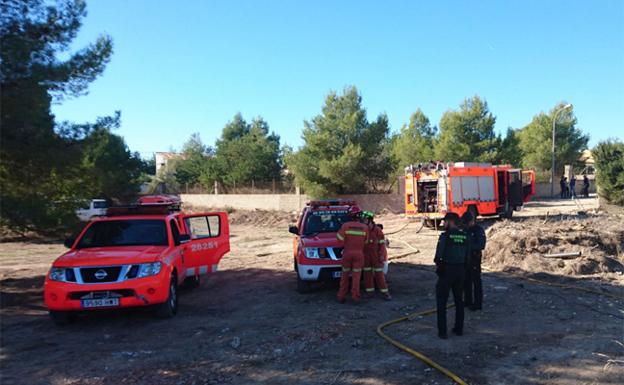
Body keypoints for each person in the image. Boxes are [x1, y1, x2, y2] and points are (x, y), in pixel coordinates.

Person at [434, 212, 470, 339]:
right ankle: (459, 328)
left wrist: (439, 268)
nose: (444, 224)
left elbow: (439, 256)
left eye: (445, 222)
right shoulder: (465, 236)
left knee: (441, 302)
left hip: (447, 271)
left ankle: (442, 332)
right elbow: (468, 255)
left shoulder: (445, 236)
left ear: (451, 221)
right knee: (459, 301)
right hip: (460, 271)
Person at [336, 206, 369, 303]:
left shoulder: (346, 226)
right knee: (356, 276)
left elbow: (339, 239)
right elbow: (366, 242)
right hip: (359, 254)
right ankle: (355, 296)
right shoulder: (365, 228)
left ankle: (341, 296)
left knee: (344, 276)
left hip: (347, 253)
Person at [361, 211, 391, 300]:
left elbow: (381, 244)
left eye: (365, 219)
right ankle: (370, 293)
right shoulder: (363, 229)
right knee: (367, 274)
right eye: (363, 220)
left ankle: (385, 293)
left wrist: (381, 255)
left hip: (376, 255)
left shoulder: (377, 230)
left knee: (379, 274)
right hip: (366, 255)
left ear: (370, 220)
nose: (363, 221)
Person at [462, 212, 486, 311]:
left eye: (467, 223)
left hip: (474, 258)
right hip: (465, 259)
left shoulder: (478, 230)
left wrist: (469, 247)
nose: (466, 225)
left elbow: (481, 245)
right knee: (466, 281)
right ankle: (468, 301)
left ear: (472, 221)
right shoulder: (465, 229)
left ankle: (477, 303)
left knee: (476, 282)